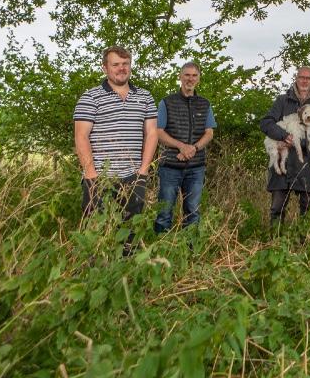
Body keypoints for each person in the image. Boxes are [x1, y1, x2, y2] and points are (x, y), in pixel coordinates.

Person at [73, 46, 158, 255]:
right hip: (100, 177)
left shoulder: (145, 97)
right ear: (105, 68)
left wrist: (143, 172)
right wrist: (91, 175)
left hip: (133, 177)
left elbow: (152, 134)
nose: (121, 68)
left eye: (125, 64)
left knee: (130, 233)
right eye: (116, 64)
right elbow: (81, 137)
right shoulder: (90, 97)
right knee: (96, 233)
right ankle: (95, 275)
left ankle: (126, 277)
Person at [260, 66, 310, 223]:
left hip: (305, 163)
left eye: (308, 78)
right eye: (301, 77)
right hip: (282, 162)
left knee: (309, 210)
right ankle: (275, 243)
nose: (305, 81)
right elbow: (266, 123)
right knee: (277, 208)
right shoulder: (282, 101)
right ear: (296, 79)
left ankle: (306, 244)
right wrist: (283, 136)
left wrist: (305, 143)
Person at [154, 62, 216, 234]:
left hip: (196, 168)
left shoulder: (205, 104)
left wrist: (192, 149)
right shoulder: (166, 103)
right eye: (187, 75)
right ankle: (160, 250)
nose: (190, 79)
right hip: (170, 167)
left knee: (193, 212)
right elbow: (158, 132)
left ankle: (190, 252)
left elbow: (209, 133)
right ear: (180, 77)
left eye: (194, 75)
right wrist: (181, 146)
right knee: (164, 212)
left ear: (199, 79)